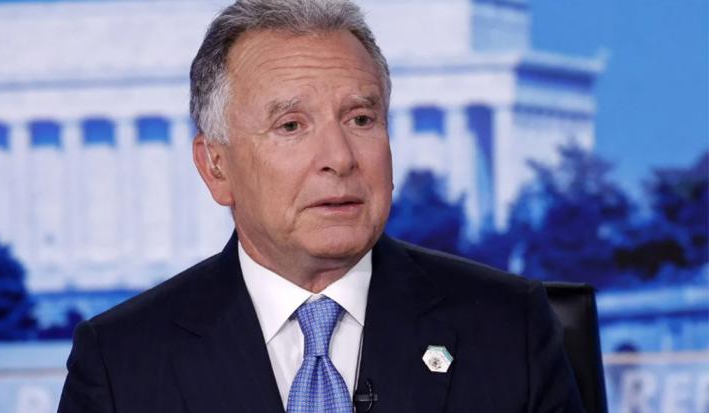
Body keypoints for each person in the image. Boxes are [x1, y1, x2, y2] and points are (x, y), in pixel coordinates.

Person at [57, 0, 584, 412]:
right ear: (216, 166)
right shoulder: (121, 364)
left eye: (361, 120)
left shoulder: (508, 329)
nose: (339, 158)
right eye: (291, 126)